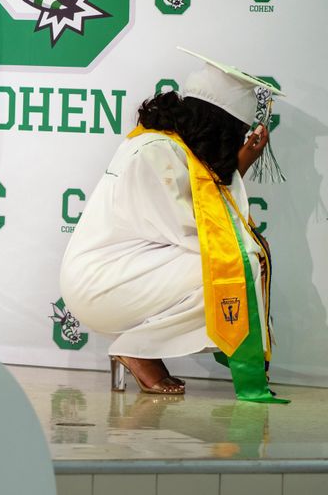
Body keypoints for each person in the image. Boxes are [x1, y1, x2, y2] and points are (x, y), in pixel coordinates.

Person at [59, 48, 287, 404]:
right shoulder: (156, 153)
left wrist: (240, 165)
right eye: (232, 136)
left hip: (124, 270)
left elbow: (201, 216)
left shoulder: (170, 147)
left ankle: (141, 347)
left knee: (240, 260)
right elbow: (199, 231)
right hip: (100, 282)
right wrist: (236, 171)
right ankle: (137, 350)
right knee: (239, 263)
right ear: (217, 126)